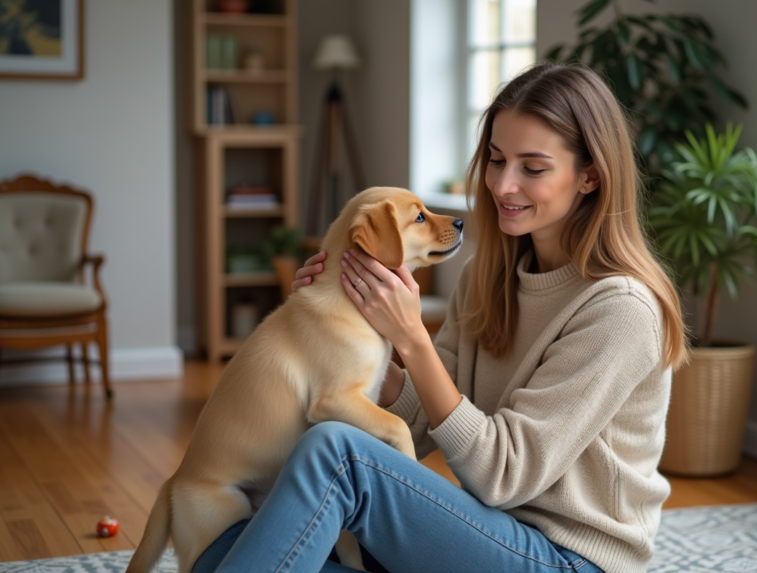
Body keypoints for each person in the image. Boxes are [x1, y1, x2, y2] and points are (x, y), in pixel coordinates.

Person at [192, 63, 687, 573]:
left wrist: (411, 338)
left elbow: (504, 475)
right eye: (496, 160)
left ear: (591, 176)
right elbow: (419, 423)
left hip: (565, 559)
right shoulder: (488, 276)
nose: (503, 185)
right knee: (221, 553)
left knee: (336, 454)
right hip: (484, 534)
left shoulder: (621, 310)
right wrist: (341, 334)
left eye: (532, 168)